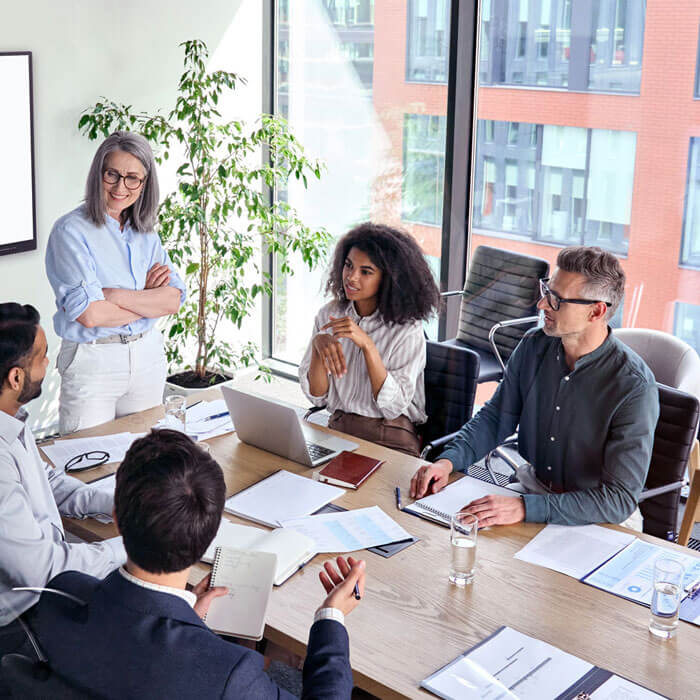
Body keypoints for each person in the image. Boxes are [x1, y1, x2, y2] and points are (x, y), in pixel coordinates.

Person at [30, 429, 364, 699]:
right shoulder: (228, 674)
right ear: (210, 534)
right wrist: (331, 617)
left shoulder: (60, 596)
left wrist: (190, 622)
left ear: (116, 519)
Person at [410, 246, 660, 529]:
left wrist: (524, 507)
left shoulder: (634, 387)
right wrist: (447, 462)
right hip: (532, 490)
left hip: (598, 517)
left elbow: (617, 500)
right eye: (546, 291)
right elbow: (494, 419)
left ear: (596, 311)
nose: (542, 305)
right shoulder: (533, 345)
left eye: (557, 300)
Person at [0, 303, 124, 653]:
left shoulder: (10, 418)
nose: (49, 365)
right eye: (42, 357)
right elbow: (44, 570)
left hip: (43, 590)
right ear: (16, 377)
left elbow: (49, 482)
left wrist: (119, 502)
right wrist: (132, 546)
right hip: (20, 623)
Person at [45, 130, 186, 435]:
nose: (121, 186)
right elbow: (91, 314)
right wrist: (148, 299)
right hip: (93, 359)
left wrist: (114, 295)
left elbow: (173, 300)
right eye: (113, 174)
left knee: (146, 465)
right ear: (99, 174)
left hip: (147, 356)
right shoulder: (71, 231)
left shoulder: (146, 232)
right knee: (87, 462)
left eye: (132, 177)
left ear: (144, 183)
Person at [299, 223, 441, 456]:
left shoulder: (407, 330)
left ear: (389, 279)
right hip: (339, 429)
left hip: (389, 438)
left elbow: (393, 407)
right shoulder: (328, 314)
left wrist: (367, 345)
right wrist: (317, 348)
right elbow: (318, 396)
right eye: (348, 265)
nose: (351, 277)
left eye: (366, 272)